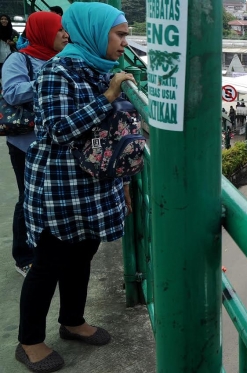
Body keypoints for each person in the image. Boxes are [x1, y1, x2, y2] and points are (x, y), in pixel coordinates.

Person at [16, 3, 136, 372]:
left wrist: (125, 182)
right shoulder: (58, 71)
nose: (124, 42)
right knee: (48, 263)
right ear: (95, 33)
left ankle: (72, 320)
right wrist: (107, 98)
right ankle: (29, 341)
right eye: (120, 34)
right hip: (60, 186)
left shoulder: (98, 68)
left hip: (93, 185)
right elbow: (58, 129)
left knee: (82, 255)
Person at [2, 11, 69, 278]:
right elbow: (12, 92)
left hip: (55, 141)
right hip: (25, 143)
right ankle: (24, 255)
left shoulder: (64, 58)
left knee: (53, 197)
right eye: (59, 30)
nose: (65, 35)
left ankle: (52, 249)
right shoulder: (19, 59)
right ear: (43, 31)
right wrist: (48, 80)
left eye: (66, 30)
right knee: (27, 198)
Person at [0, 14, 20, 79]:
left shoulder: (13, 32)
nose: (4, 21)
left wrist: (13, 43)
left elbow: (18, 41)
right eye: (2, 19)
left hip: (10, 56)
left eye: (6, 19)